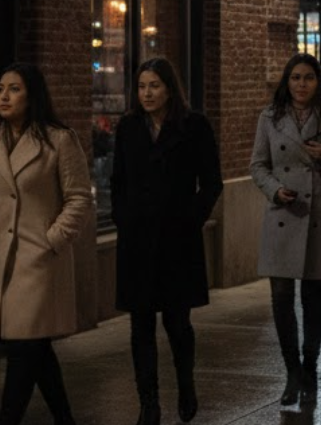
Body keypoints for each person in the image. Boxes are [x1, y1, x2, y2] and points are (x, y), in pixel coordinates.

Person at [0, 63, 91, 425]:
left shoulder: (59, 139)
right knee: (34, 349)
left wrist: (53, 239)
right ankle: (65, 420)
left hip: (36, 259)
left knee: (23, 350)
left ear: (32, 95)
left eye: (14, 89)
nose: (4, 96)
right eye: (1, 88)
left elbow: (79, 198)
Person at [112, 57, 223, 425]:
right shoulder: (128, 128)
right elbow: (118, 181)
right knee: (140, 325)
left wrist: (191, 219)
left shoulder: (194, 126)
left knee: (177, 323)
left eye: (154, 86)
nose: (147, 93)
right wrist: (124, 220)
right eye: (142, 86)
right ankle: (149, 402)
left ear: (170, 89)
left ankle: (186, 384)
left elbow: (211, 182)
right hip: (138, 242)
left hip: (177, 240)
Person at [250, 53, 321, 408]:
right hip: (282, 213)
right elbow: (258, 164)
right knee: (281, 299)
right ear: (286, 81)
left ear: (318, 82)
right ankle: (291, 371)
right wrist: (274, 190)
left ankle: (310, 368)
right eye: (295, 78)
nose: (301, 84)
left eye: (308, 78)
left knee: (313, 299)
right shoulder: (270, 117)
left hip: (318, 215)